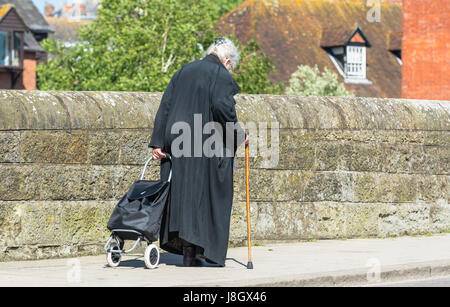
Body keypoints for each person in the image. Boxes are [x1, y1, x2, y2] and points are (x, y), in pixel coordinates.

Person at [149, 37, 248, 267]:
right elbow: (224, 110)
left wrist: (158, 142)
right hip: (204, 144)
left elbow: (165, 106)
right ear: (226, 60)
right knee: (209, 196)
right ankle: (197, 251)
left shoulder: (184, 70)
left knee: (183, 196)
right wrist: (240, 136)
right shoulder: (220, 75)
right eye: (231, 65)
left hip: (177, 141)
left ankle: (188, 252)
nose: (230, 69)